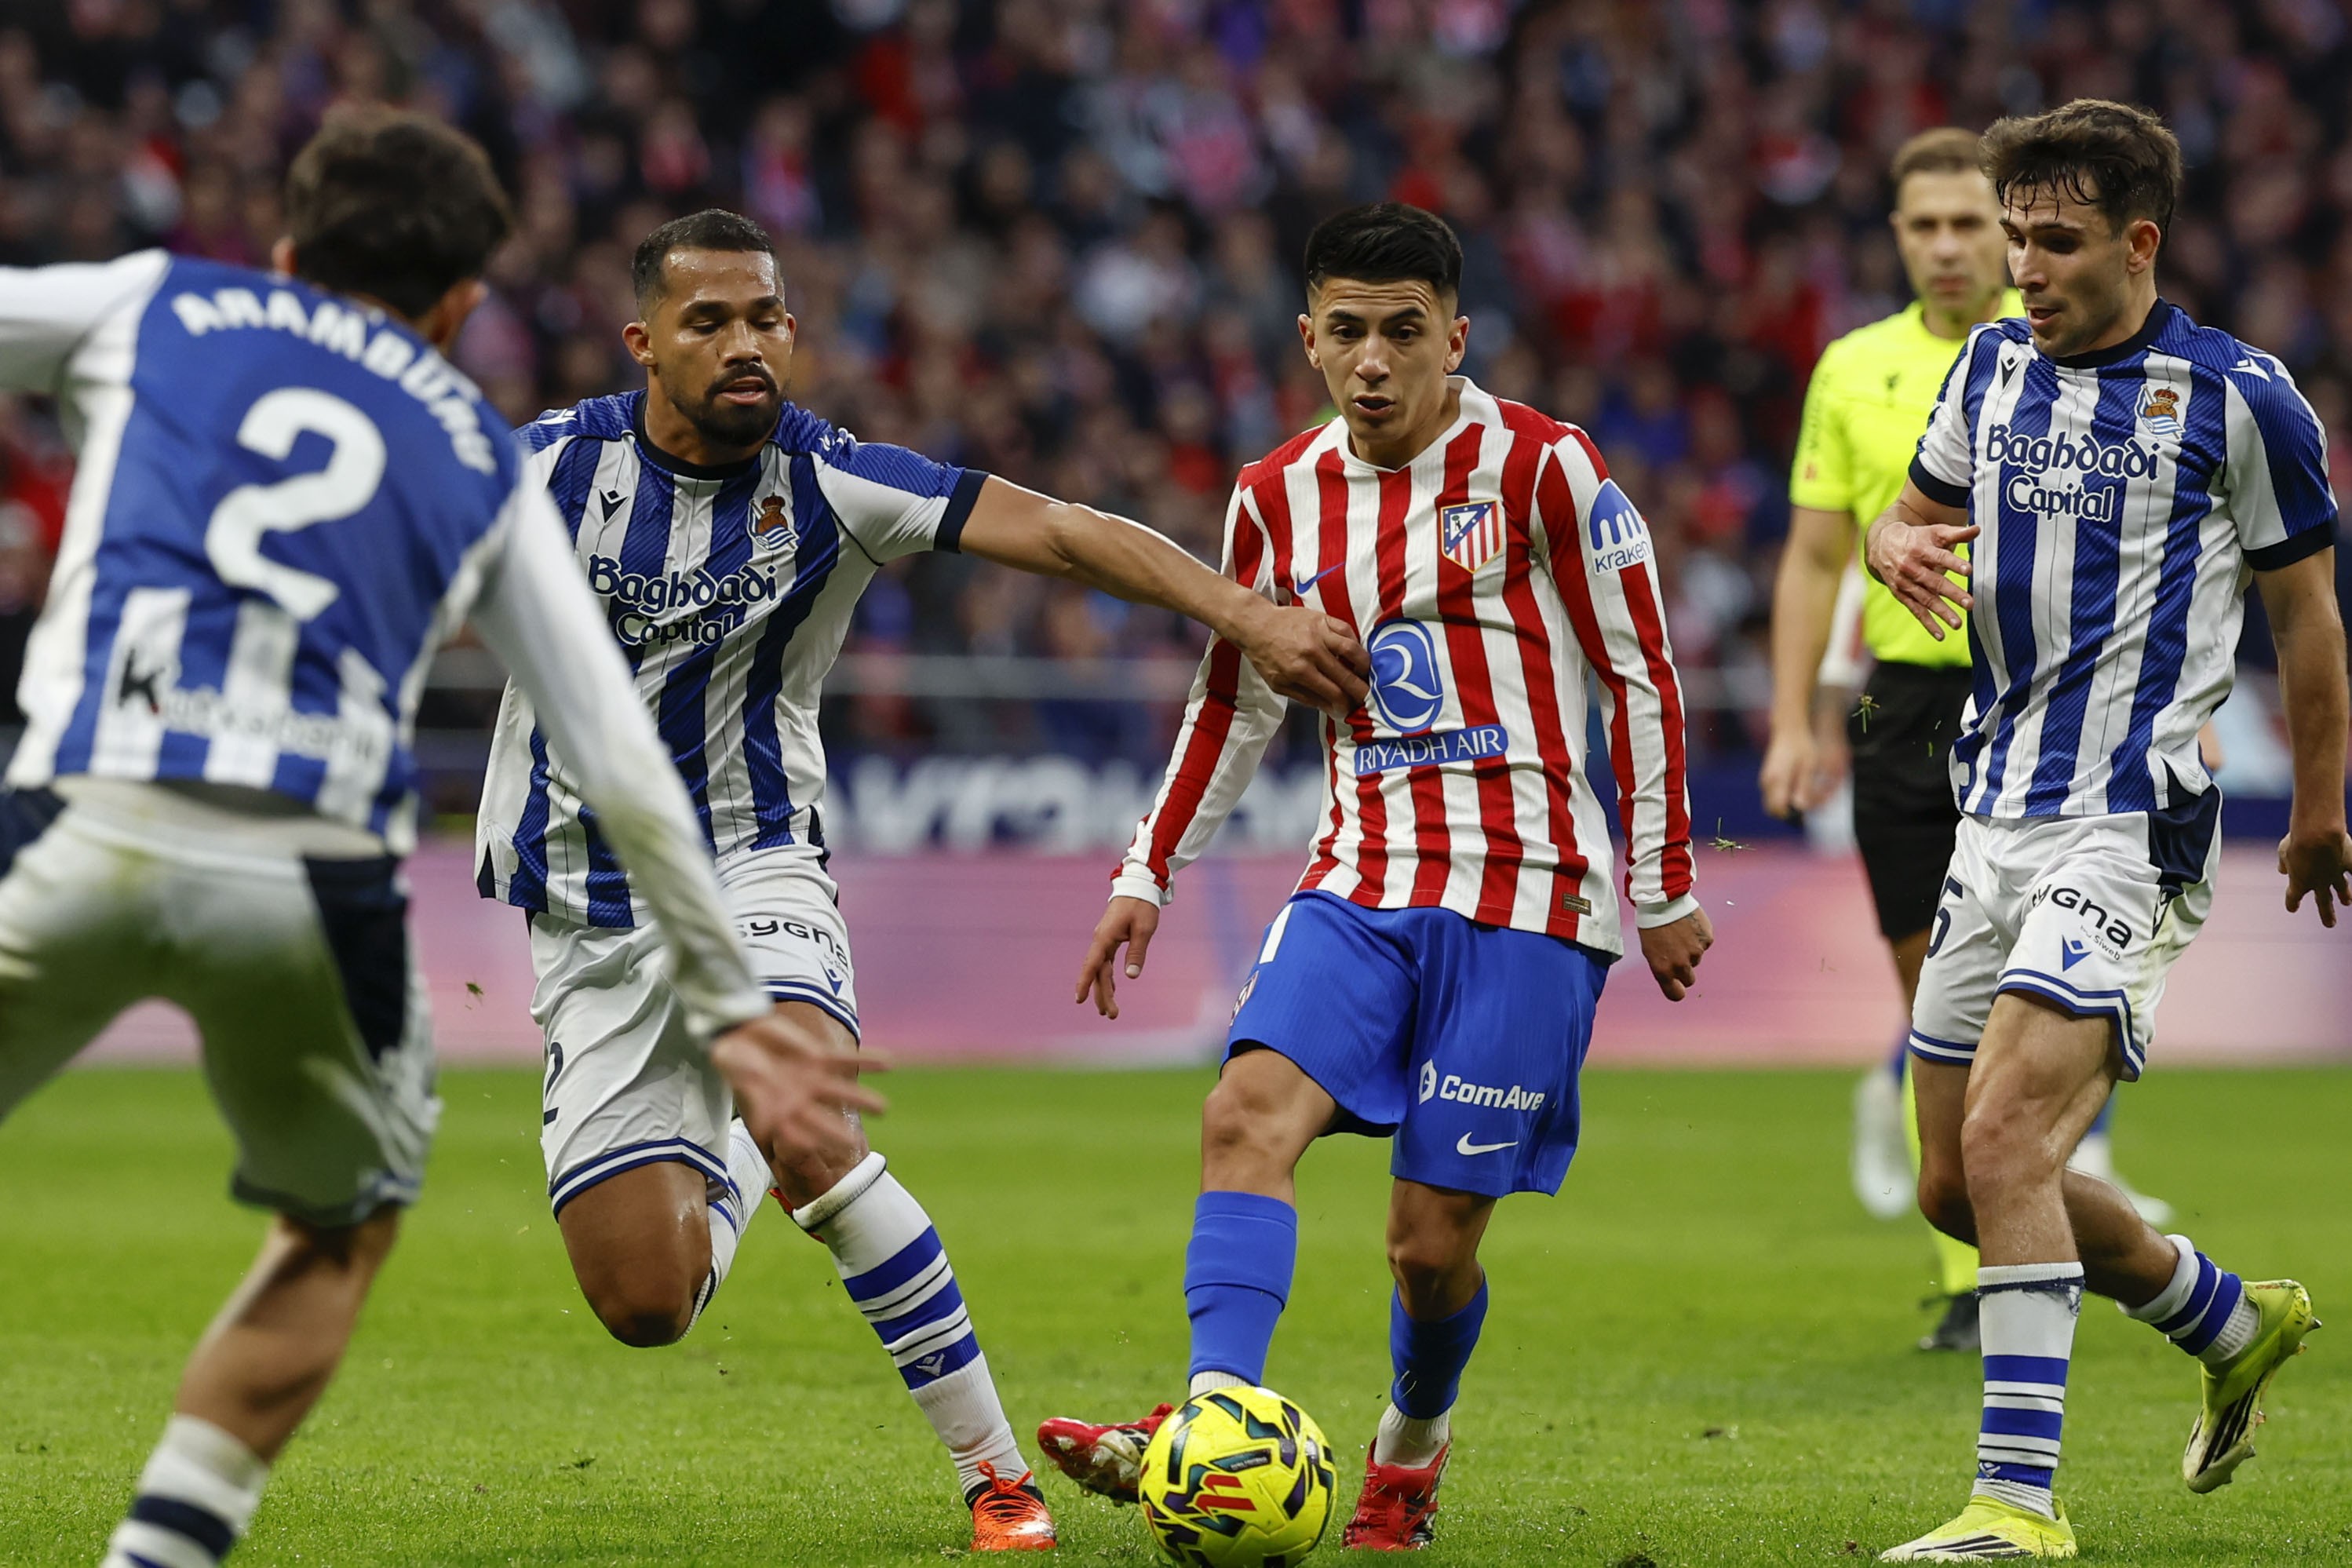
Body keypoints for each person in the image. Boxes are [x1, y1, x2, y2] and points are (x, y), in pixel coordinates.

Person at [0, 109, 875, 1568]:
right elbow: (615, 752)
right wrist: (733, 1006)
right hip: (313, 878)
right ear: (463, 303)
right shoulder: (478, 444)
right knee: (334, 1231)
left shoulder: (159, 300)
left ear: (284, 252)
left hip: (82, 806)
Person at [471, 209, 1369, 1553]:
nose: (742, 343)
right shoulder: (538, 470)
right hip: (585, 908)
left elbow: (1062, 535)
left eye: (764, 316)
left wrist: (1248, 613)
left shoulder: (834, 481)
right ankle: (737, 1140)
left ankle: (995, 1479)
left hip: (754, 863)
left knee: (816, 1127)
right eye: (706, 320)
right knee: (645, 1302)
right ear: (642, 341)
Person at [1031, 202, 1713, 1550]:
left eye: (1404, 332)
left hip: (1529, 895)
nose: (1374, 361)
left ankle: (1409, 1439)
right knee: (1242, 1115)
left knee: (1427, 1240)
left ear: (1456, 336)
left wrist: (1663, 880)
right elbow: (1230, 703)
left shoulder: (1542, 469)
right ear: (1307, 339)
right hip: (1358, 879)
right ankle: (1218, 1423)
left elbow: (1640, 672)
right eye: (1345, 332)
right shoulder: (1272, 494)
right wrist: (1146, 872)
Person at [1864, 100, 2346, 1562]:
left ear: (2139, 243)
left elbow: (2306, 621)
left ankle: (2016, 1503)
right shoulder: (1990, 366)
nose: (2022, 266)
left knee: (2010, 1133)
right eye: (2013, 234)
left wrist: (2320, 808)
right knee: (1954, 1172)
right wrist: (1893, 539)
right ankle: (2225, 1313)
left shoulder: (2237, 398)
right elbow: (1909, 513)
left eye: (2054, 240)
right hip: (1989, 806)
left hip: (2131, 816)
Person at [1762, 127, 2168, 1355]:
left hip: (2054, 711)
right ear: (1895, 236)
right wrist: (1794, 716)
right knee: (1928, 1005)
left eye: (1967, 225)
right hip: (1903, 707)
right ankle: (1975, 1273)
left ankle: (2027, 1230)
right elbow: (1817, 553)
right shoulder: (1851, 369)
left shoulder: (2057, 353)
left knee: (2035, 1018)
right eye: (1922, 226)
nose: (1949, 248)